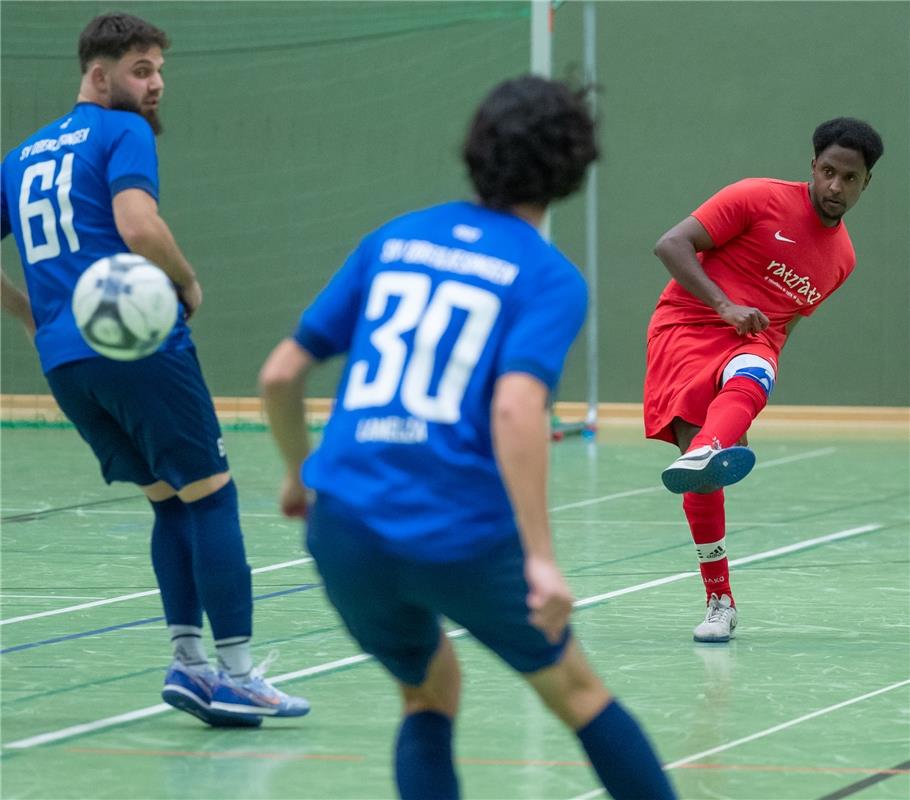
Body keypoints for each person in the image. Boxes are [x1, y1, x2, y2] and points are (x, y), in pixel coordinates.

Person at [259, 75, 677, 800]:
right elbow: (517, 408)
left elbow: (278, 376)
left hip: (345, 525)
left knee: (428, 688)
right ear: (573, 170)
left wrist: (300, 476)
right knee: (577, 694)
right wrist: (541, 559)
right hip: (458, 532)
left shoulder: (393, 238)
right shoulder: (547, 275)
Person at [0, 12, 309, 726]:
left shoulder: (21, 156)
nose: (156, 86)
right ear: (99, 76)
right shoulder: (121, 132)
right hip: (135, 345)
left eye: (160, 71)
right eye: (142, 71)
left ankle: (191, 666)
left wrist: (28, 314)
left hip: (66, 364)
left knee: (171, 500)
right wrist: (189, 283)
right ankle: (233, 672)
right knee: (214, 497)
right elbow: (137, 224)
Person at [644, 118, 884, 642]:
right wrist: (724, 305)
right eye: (827, 172)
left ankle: (709, 443)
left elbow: (784, 325)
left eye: (850, 178)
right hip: (688, 324)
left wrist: (745, 404)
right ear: (812, 167)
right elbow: (670, 245)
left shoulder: (842, 260)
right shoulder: (755, 197)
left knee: (755, 369)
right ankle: (719, 598)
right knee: (703, 483)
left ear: (867, 183)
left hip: (753, 342)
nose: (835, 187)